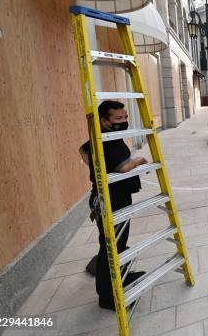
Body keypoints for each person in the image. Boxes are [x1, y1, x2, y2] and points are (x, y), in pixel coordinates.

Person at [79, 100, 147, 311]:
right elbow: (124, 167)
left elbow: (82, 150)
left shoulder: (103, 136)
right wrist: (140, 160)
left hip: (113, 198)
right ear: (104, 121)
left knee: (117, 242)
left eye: (125, 117)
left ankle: (123, 276)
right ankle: (107, 298)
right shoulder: (110, 142)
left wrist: (100, 169)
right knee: (110, 247)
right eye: (118, 118)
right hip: (111, 201)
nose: (123, 121)